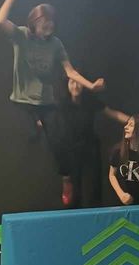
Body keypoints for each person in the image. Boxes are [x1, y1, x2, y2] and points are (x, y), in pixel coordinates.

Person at [0, 0, 106, 205]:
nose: (49, 29)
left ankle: (66, 179)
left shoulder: (56, 44)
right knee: (28, 136)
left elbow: (70, 71)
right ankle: (35, 124)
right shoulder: (21, 36)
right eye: (45, 25)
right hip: (21, 101)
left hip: (45, 103)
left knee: (60, 142)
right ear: (35, 22)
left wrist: (91, 85)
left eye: (52, 26)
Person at [50, 78, 130, 208]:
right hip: (71, 151)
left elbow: (112, 113)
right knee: (74, 191)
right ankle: (73, 215)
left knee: (93, 186)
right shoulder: (62, 103)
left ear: (84, 85)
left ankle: (95, 214)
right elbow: (49, 118)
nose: (76, 86)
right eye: (72, 82)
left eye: (78, 83)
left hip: (90, 149)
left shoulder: (90, 102)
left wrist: (132, 121)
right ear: (67, 85)